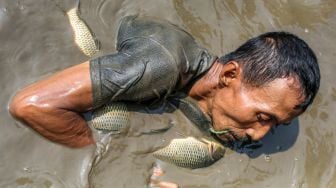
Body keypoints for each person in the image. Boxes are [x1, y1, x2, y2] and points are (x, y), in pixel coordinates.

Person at [8, 15, 320, 148]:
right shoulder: (161, 68)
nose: (259, 135)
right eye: (262, 117)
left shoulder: (202, 89)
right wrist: (98, 153)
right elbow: (33, 106)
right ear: (229, 75)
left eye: (275, 125)